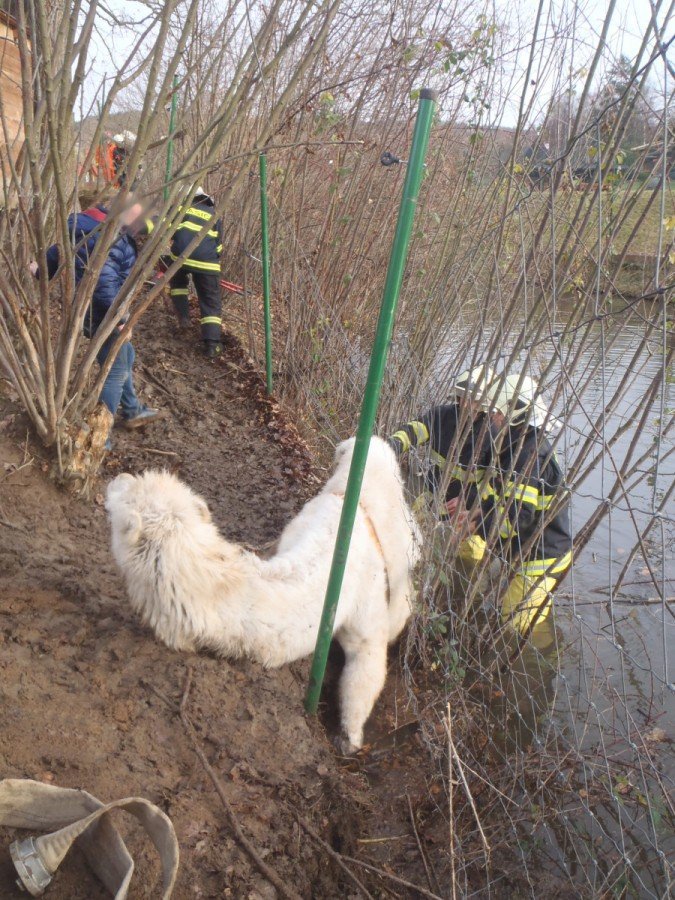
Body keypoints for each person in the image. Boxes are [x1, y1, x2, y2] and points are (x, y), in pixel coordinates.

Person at [448, 373, 573, 632]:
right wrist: (471, 504)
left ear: (513, 414)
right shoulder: (517, 444)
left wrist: (475, 525)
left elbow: (514, 519)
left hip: (540, 556)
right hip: (522, 548)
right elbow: (498, 492)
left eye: (495, 411)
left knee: (516, 627)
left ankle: (533, 654)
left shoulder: (529, 456)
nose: (490, 417)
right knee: (506, 607)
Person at [41, 196, 161, 447]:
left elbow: (54, 254)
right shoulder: (112, 238)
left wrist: (39, 271)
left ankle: (132, 409)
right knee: (115, 369)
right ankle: (100, 438)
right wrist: (120, 319)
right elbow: (105, 286)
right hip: (103, 314)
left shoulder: (84, 225)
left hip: (85, 311)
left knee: (125, 355)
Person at [388, 365, 496, 564]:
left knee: (470, 557)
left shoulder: (494, 435)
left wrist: (470, 499)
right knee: (409, 538)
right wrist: (392, 445)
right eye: (463, 397)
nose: (466, 404)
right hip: (432, 495)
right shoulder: (442, 416)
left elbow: (497, 484)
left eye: (474, 400)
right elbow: (416, 429)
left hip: (468, 510)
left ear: (486, 403)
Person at [168, 186, 224, 359]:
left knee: (177, 284)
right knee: (210, 301)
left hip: (180, 257)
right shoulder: (214, 215)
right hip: (208, 263)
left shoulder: (180, 208)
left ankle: (183, 318)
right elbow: (219, 247)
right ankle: (212, 345)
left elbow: (167, 230)